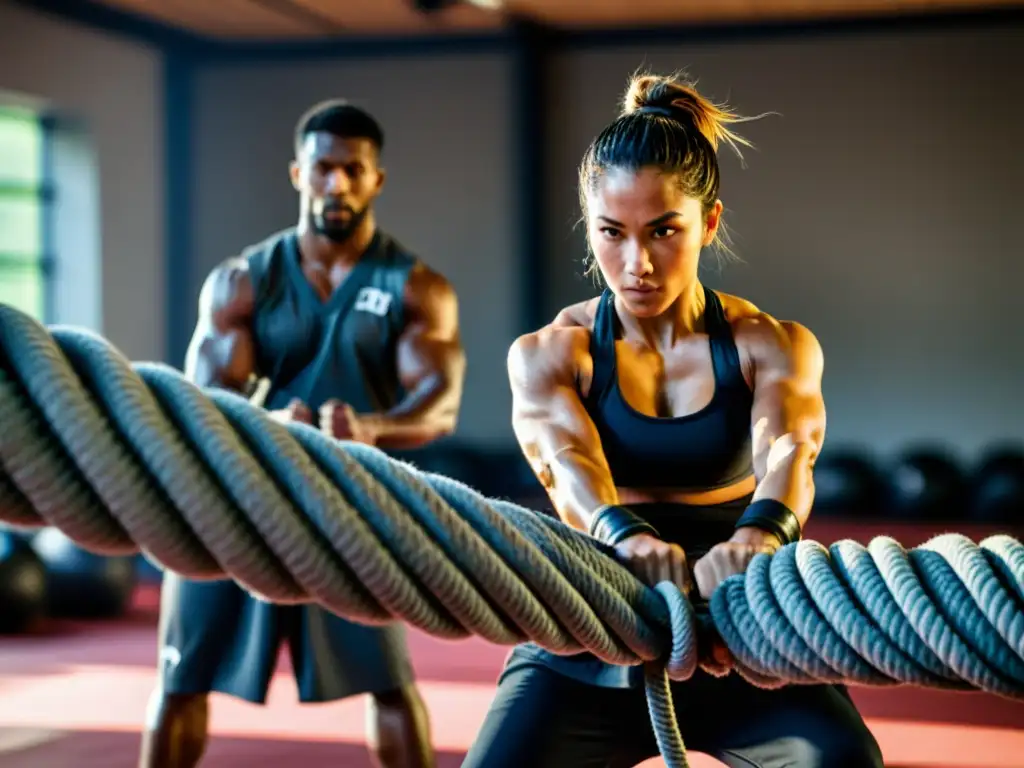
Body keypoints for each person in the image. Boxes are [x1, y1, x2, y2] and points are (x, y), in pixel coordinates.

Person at [462, 72, 885, 768]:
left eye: (664, 231)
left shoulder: (766, 344)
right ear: (589, 225)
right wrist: (621, 532)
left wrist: (759, 535)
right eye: (611, 233)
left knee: (843, 761)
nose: (636, 264)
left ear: (709, 222)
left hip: (742, 628)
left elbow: (790, 448)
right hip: (594, 625)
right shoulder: (551, 353)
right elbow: (563, 462)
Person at [139, 99, 466, 768]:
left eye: (352, 170)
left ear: (377, 180)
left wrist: (372, 425)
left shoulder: (416, 288)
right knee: (179, 681)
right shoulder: (242, 281)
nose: (336, 185)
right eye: (323, 168)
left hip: (348, 503)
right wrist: (264, 425)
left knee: (392, 685)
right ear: (298, 173)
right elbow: (200, 399)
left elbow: (440, 405)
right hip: (234, 499)